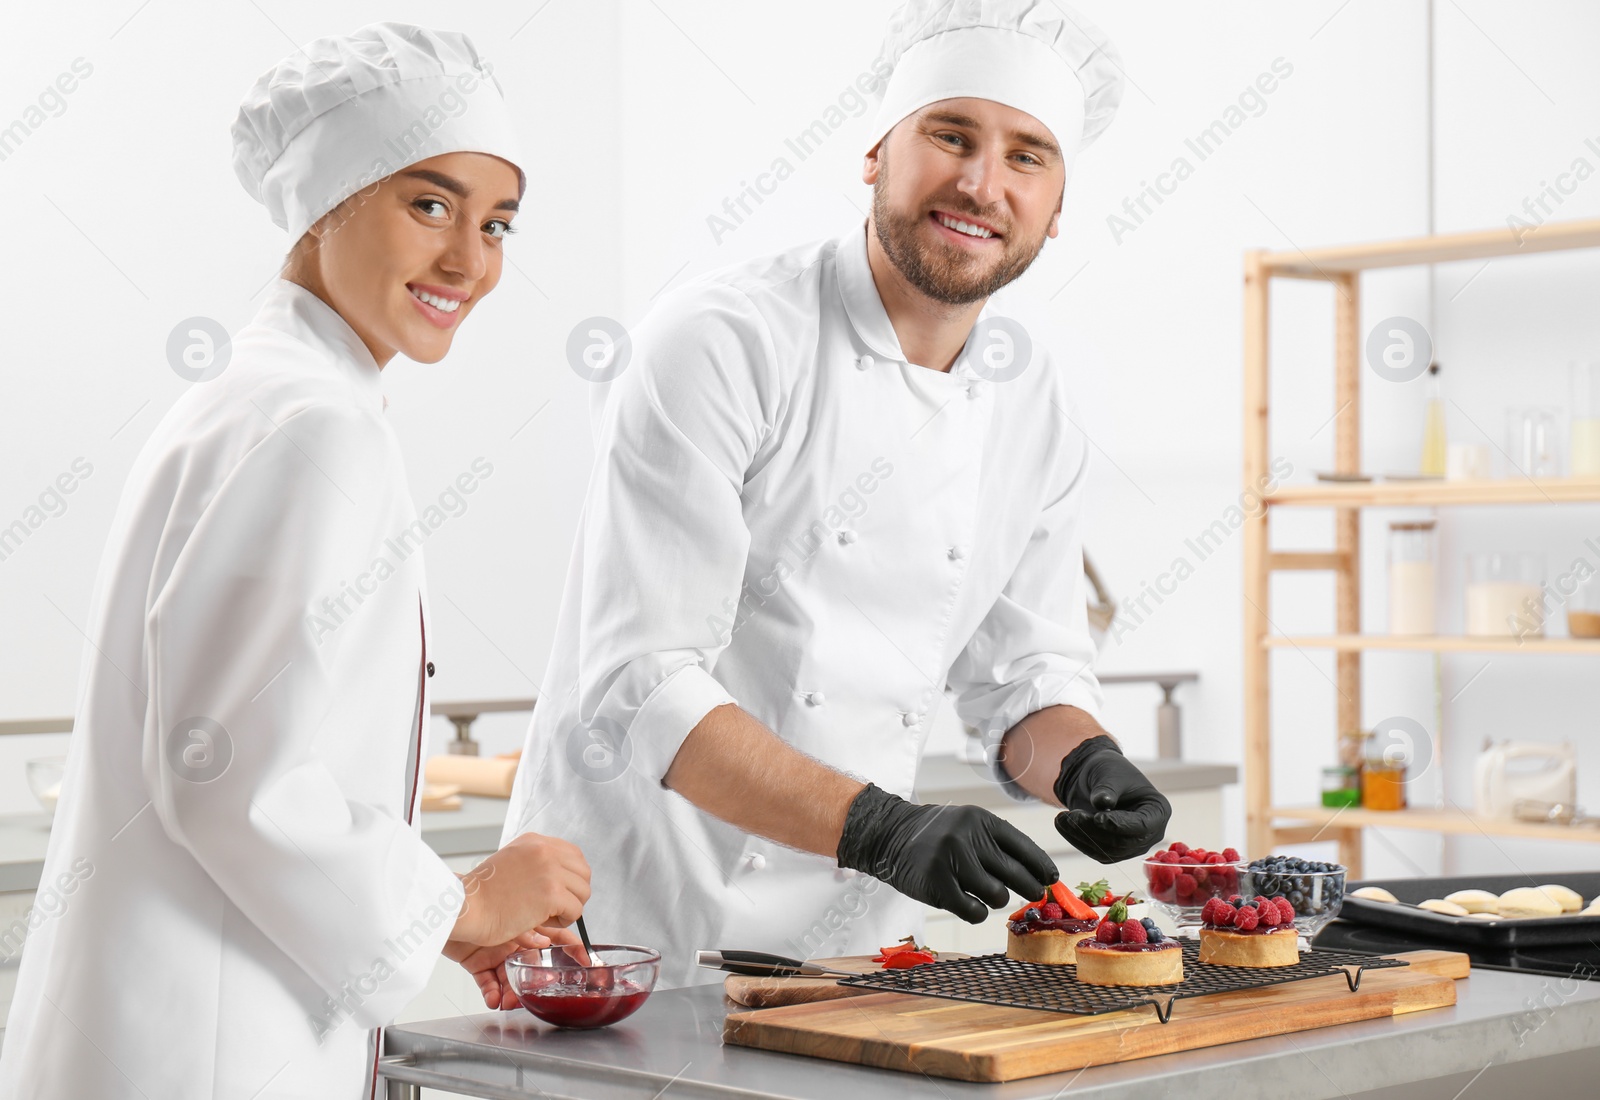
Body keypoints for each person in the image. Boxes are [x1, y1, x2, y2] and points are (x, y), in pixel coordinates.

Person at [503, 0, 1169, 990]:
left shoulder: (1032, 401)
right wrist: (883, 826)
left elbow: (1022, 674)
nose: (982, 183)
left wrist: (1086, 762)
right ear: (874, 153)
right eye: (951, 135)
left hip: (853, 947)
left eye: (1027, 155)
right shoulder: (721, 340)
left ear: (1058, 207)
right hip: (637, 928)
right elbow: (643, 682)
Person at [0, 24, 589, 1100]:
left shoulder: (251, 396)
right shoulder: (312, 423)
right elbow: (226, 768)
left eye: (496, 223)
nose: (469, 258)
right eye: (429, 204)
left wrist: (436, 926)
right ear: (324, 202)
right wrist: (464, 904)